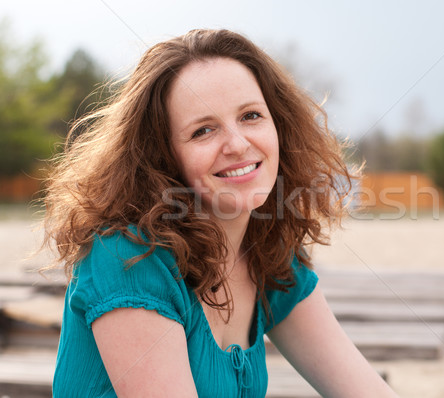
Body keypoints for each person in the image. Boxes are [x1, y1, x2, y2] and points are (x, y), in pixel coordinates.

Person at [43, 29, 398, 397]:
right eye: (203, 130)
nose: (238, 144)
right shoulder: (126, 258)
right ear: (161, 157)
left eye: (250, 115)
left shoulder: (270, 253)